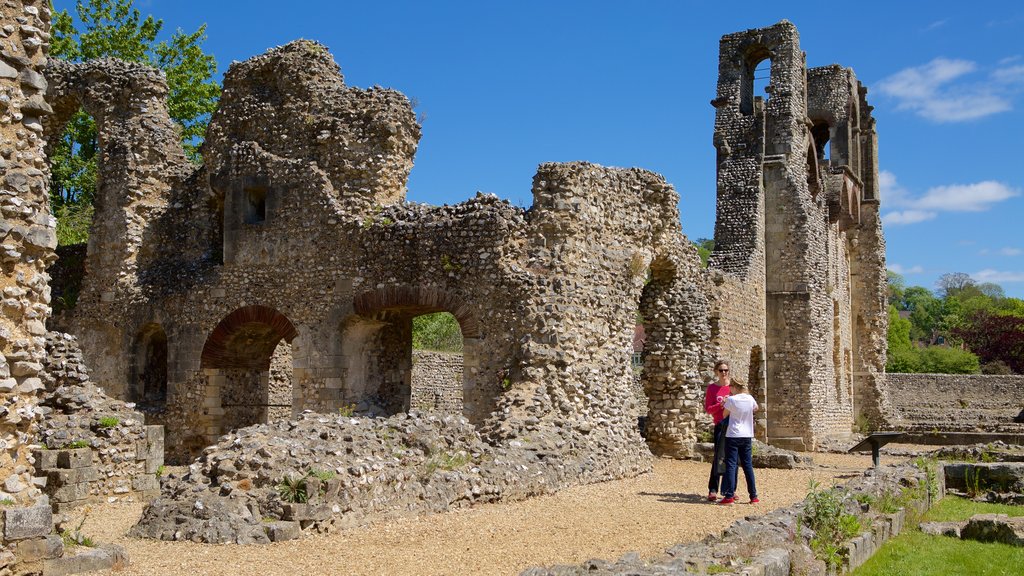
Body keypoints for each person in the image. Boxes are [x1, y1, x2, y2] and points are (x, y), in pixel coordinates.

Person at [718, 378, 759, 505]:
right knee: (747, 465)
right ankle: (753, 496)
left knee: (731, 464)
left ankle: (729, 495)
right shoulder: (750, 398)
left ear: (734, 387)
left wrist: (725, 403)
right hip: (747, 435)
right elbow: (755, 408)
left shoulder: (732, 400)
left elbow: (724, 415)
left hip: (733, 434)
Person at [704, 360, 732, 501]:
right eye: (721, 370)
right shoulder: (712, 389)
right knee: (717, 457)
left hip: (733, 426)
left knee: (731, 459)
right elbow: (708, 409)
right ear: (716, 372)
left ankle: (729, 490)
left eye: (726, 370)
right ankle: (713, 489)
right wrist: (720, 404)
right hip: (720, 425)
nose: (724, 373)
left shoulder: (733, 388)